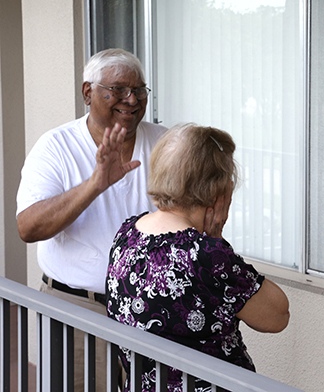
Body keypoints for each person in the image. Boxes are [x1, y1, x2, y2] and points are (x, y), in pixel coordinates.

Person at [16, 48, 167, 390]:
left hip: (148, 311)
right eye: (117, 89)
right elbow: (28, 227)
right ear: (88, 93)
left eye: (139, 90)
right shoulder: (56, 146)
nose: (131, 100)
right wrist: (95, 184)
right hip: (77, 310)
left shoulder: (162, 142)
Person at [106, 123, 290, 391]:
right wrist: (215, 240)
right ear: (217, 193)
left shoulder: (127, 234)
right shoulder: (205, 254)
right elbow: (278, 316)